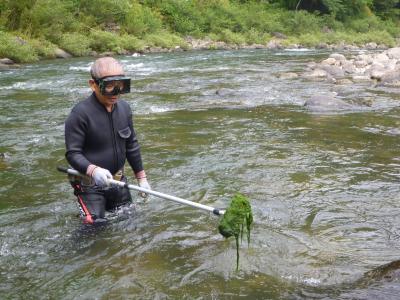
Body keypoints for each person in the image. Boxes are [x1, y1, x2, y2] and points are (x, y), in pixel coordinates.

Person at [64, 57, 150, 224]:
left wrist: (142, 178)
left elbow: (131, 145)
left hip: (118, 182)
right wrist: (93, 170)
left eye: (120, 86)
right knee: (94, 227)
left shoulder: (125, 109)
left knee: (130, 223)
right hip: (89, 185)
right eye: (109, 86)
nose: (115, 92)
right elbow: (73, 154)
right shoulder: (80, 114)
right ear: (93, 84)